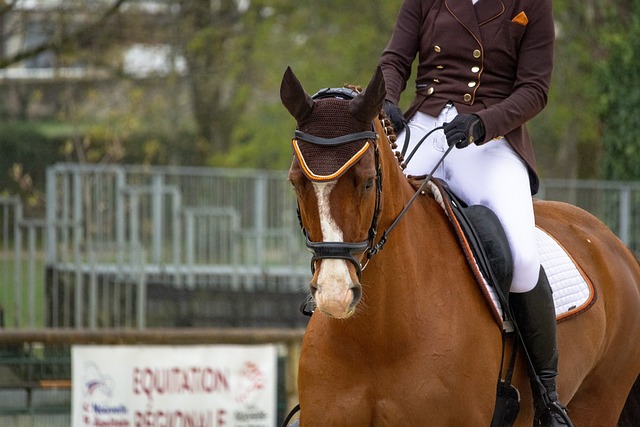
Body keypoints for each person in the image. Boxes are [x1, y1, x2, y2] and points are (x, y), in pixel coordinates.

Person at [379, 1, 573, 426]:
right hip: (423, 130)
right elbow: (394, 59)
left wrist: (483, 123)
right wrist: (388, 101)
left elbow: (534, 89)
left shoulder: (531, 5)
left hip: (489, 141)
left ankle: (547, 394)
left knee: (521, 261)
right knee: (371, 223)